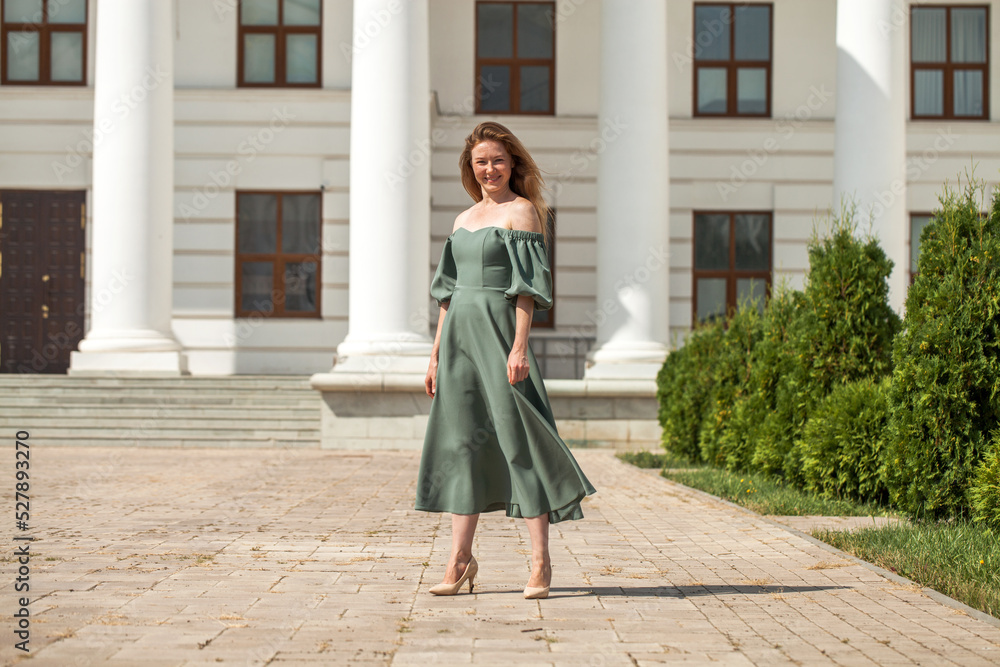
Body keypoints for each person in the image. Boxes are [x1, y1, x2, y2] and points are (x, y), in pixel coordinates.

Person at [414, 121, 597, 600]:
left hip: (500, 339)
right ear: (470, 169)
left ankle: (539, 563)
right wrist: (434, 356)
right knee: (461, 447)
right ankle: (459, 560)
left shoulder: (524, 213)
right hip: (457, 344)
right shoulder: (461, 220)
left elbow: (526, 291)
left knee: (519, 443)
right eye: (481, 162)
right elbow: (447, 297)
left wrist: (519, 348)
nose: (489, 169)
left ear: (512, 162)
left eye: (497, 160)